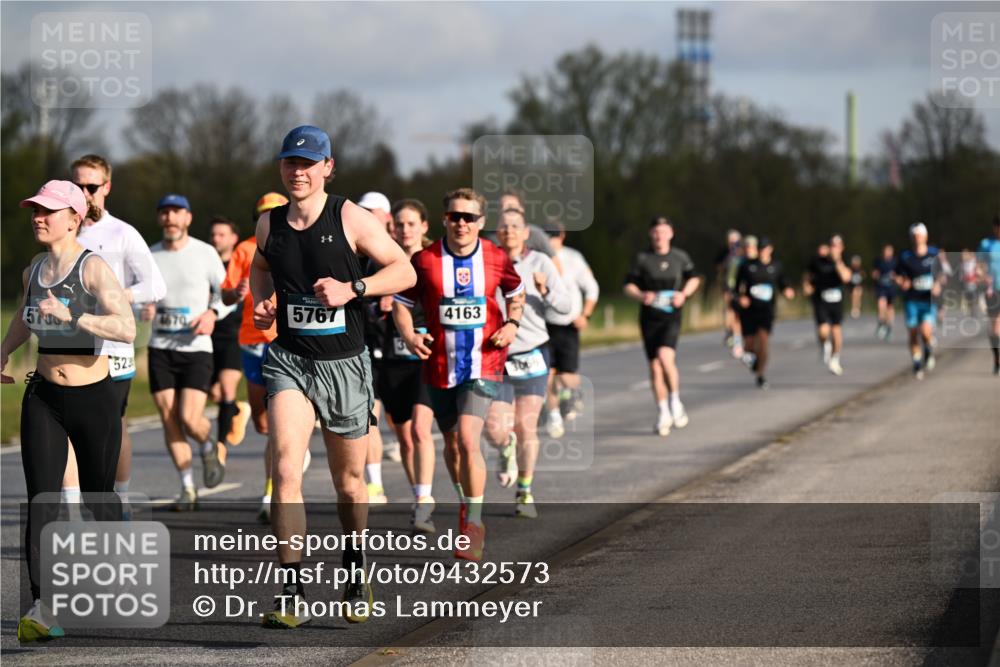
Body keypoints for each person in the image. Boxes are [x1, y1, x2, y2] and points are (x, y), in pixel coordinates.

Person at [250, 126, 415, 628]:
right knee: (285, 468)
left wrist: (354, 288)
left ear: (328, 167)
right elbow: (260, 268)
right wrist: (260, 300)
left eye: (308, 162)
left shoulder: (350, 216)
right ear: (281, 167)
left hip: (343, 364)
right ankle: (292, 587)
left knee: (349, 485)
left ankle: (355, 564)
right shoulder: (268, 223)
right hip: (289, 359)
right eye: (290, 162)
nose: (297, 171)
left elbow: (404, 271)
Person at [2, 180, 135, 641]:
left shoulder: (93, 268)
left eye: (48, 211)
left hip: (93, 399)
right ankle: (43, 607)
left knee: (99, 501)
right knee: (42, 501)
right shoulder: (33, 270)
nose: (38, 217)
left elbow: (126, 327)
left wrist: (74, 318)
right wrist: (2, 354)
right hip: (43, 397)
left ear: (75, 218)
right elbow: (24, 314)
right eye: (35, 209)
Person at [393, 187, 525, 561]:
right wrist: (408, 333)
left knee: (469, 440)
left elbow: (517, 292)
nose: (462, 223)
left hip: (484, 361)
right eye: (455, 216)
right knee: (451, 444)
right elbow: (402, 305)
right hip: (438, 365)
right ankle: (468, 502)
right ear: (444, 220)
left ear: (481, 223)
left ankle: (474, 525)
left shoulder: (496, 258)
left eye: (469, 217)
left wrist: (513, 323)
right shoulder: (425, 260)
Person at [61, 154, 167, 520]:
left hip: (112, 346)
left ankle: (118, 497)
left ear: (106, 188)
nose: (84, 193)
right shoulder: (61, 227)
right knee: (67, 426)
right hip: (68, 344)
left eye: (91, 187)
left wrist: (122, 296)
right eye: (77, 186)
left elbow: (156, 283)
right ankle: (72, 512)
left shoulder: (122, 232)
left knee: (110, 428)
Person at [143, 194, 233, 510]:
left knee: (189, 418)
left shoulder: (205, 253)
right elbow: (135, 296)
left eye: (176, 212)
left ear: (188, 218)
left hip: (195, 348)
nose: (170, 218)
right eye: (164, 212)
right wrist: (144, 308)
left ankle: (208, 446)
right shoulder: (149, 255)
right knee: (170, 420)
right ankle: (188, 489)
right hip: (160, 348)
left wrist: (211, 314)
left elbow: (228, 295)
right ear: (160, 219)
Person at [483, 208, 570, 518]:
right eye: (503, 226)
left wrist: (545, 289)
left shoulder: (540, 263)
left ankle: (525, 490)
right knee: (494, 429)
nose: (509, 231)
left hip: (531, 351)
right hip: (494, 354)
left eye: (515, 226)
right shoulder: (486, 260)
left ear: (525, 232)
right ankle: (506, 449)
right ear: (497, 231)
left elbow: (566, 306)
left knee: (527, 424)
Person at [220, 193, 292, 523]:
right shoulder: (245, 249)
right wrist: (234, 293)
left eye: (277, 213)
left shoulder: (296, 244)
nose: (271, 219)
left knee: (282, 426)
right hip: (251, 340)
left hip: (286, 341)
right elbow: (226, 290)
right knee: (263, 425)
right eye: (265, 214)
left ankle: (274, 489)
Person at [380, 199, 437, 531]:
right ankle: (420, 493)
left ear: (424, 227)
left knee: (419, 429)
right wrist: (378, 303)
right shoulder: (381, 260)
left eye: (411, 224)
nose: (404, 230)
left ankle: (423, 502)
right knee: (403, 436)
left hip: (426, 355)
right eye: (399, 224)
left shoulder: (432, 261)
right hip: (392, 357)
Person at [623, 216, 701, 437]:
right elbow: (627, 285)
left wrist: (684, 294)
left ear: (671, 233)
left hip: (671, 316)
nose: (660, 236)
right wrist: (641, 295)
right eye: (656, 232)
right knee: (654, 367)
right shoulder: (642, 259)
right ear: (651, 234)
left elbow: (694, 278)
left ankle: (675, 401)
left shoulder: (680, 257)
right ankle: (663, 411)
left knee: (666, 358)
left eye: (664, 231)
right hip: (650, 318)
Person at [356, 191, 401, 506]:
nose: (367, 217)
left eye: (372, 212)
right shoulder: (354, 250)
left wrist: (394, 295)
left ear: (387, 216)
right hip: (367, 340)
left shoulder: (399, 248)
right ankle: (375, 484)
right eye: (363, 212)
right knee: (369, 413)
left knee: (403, 422)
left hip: (401, 345)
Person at [543, 218, 599, 438]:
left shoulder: (574, 258)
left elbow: (592, 288)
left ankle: (570, 393)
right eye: (547, 236)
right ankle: (554, 415)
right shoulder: (536, 258)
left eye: (555, 236)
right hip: (544, 325)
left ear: (562, 236)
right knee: (547, 374)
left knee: (567, 377)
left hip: (569, 324)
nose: (551, 240)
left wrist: (586, 314)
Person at [208, 216, 252, 453]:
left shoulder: (241, 265)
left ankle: (220, 447)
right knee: (212, 391)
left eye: (221, 234)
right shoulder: (205, 263)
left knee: (226, 388)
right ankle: (236, 409)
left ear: (234, 238)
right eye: (213, 234)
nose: (216, 239)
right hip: (208, 335)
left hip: (234, 334)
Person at [734, 238, 795, 389]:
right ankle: (754, 362)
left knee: (763, 342)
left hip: (766, 310)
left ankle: (761, 375)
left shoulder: (776, 266)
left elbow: (783, 282)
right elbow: (736, 288)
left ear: (770, 249)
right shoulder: (747, 266)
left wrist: (787, 290)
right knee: (748, 345)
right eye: (760, 248)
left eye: (765, 248)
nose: (763, 251)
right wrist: (741, 297)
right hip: (748, 311)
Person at [896, 223, 943, 380]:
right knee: (913, 333)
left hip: (928, 300)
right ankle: (916, 362)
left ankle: (928, 351)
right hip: (911, 300)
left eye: (920, 236)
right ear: (911, 238)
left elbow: (942, 274)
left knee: (926, 332)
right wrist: (902, 282)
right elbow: (896, 275)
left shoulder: (933, 254)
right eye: (914, 236)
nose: (917, 239)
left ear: (925, 237)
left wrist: (937, 284)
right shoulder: (905, 257)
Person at [803, 236, 852, 375]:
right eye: (832, 245)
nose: (834, 249)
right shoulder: (818, 261)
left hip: (837, 301)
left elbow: (846, 277)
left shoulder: (844, 260)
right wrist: (807, 285)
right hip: (821, 299)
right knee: (823, 331)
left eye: (837, 246)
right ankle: (825, 344)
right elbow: (807, 275)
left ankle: (835, 359)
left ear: (841, 248)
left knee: (836, 331)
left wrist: (838, 262)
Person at [714, 229, 744, 355]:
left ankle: (737, 336)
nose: (733, 244)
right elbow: (717, 266)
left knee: (739, 314)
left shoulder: (743, 254)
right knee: (729, 311)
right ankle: (730, 332)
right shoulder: (724, 253)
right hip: (727, 286)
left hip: (741, 288)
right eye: (731, 241)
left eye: (735, 241)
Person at [978, 214, 1000, 375]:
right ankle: (996, 357)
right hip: (992, 289)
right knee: (994, 326)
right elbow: (978, 266)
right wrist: (983, 275)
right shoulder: (986, 244)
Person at [872, 244, 898, 341]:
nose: (887, 253)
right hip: (881, 287)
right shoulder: (878, 261)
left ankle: (889, 328)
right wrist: (876, 275)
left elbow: (899, 275)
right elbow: (874, 273)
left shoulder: (895, 262)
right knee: (881, 304)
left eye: (889, 251)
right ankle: (881, 323)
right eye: (885, 251)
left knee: (890, 308)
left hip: (891, 288)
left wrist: (894, 276)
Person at [849, 254, 864, 319]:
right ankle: (854, 309)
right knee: (854, 297)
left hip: (859, 286)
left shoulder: (860, 270)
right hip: (853, 286)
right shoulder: (851, 270)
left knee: (858, 297)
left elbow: (862, 278)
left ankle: (858, 309)